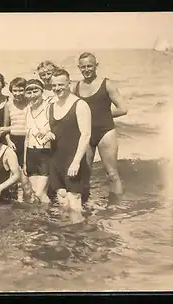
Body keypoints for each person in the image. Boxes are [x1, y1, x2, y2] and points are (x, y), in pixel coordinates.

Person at [71, 52, 128, 206]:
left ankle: (116, 208)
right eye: (83, 67)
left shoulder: (107, 84)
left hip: (105, 132)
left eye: (90, 66)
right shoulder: (75, 87)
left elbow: (123, 109)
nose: (86, 69)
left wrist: (102, 115)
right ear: (79, 68)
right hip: (85, 134)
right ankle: (86, 205)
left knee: (112, 174)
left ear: (96, 65)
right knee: (85, 174)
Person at [48, 68, 92, 224]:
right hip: (56, 160)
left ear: (69, 83)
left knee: (74, 203)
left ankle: (80, 238)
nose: (57, 88)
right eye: (54, 85)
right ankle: (67, 239)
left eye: (61, 84)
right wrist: (47, 133)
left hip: (73, 160)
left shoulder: (80, 105)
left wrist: (76, 161)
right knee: (62, 201)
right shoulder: (52, 105)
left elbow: (86, 135)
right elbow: (53, 129)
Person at [23, 79, 54, 204]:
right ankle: (44, 218)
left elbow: (57, 129)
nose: (32, 95)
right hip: (31, 153)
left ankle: (51, 216)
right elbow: (27, 137)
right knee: (35, 192)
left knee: (40, 193)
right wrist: (25, 162)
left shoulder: (49, 108)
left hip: (45, 153)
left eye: (35, 91)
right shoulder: (27, 110)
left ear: (42, 91)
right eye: (29, 92)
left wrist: (48, 132)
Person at [4, 77, 29, 167]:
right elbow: (5, 127)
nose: (18, 94)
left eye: (21, 90)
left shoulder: (30, 103)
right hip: (14, 141)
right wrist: (9, 141)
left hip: (29, 140)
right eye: (15, 90)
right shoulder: (8, 105)